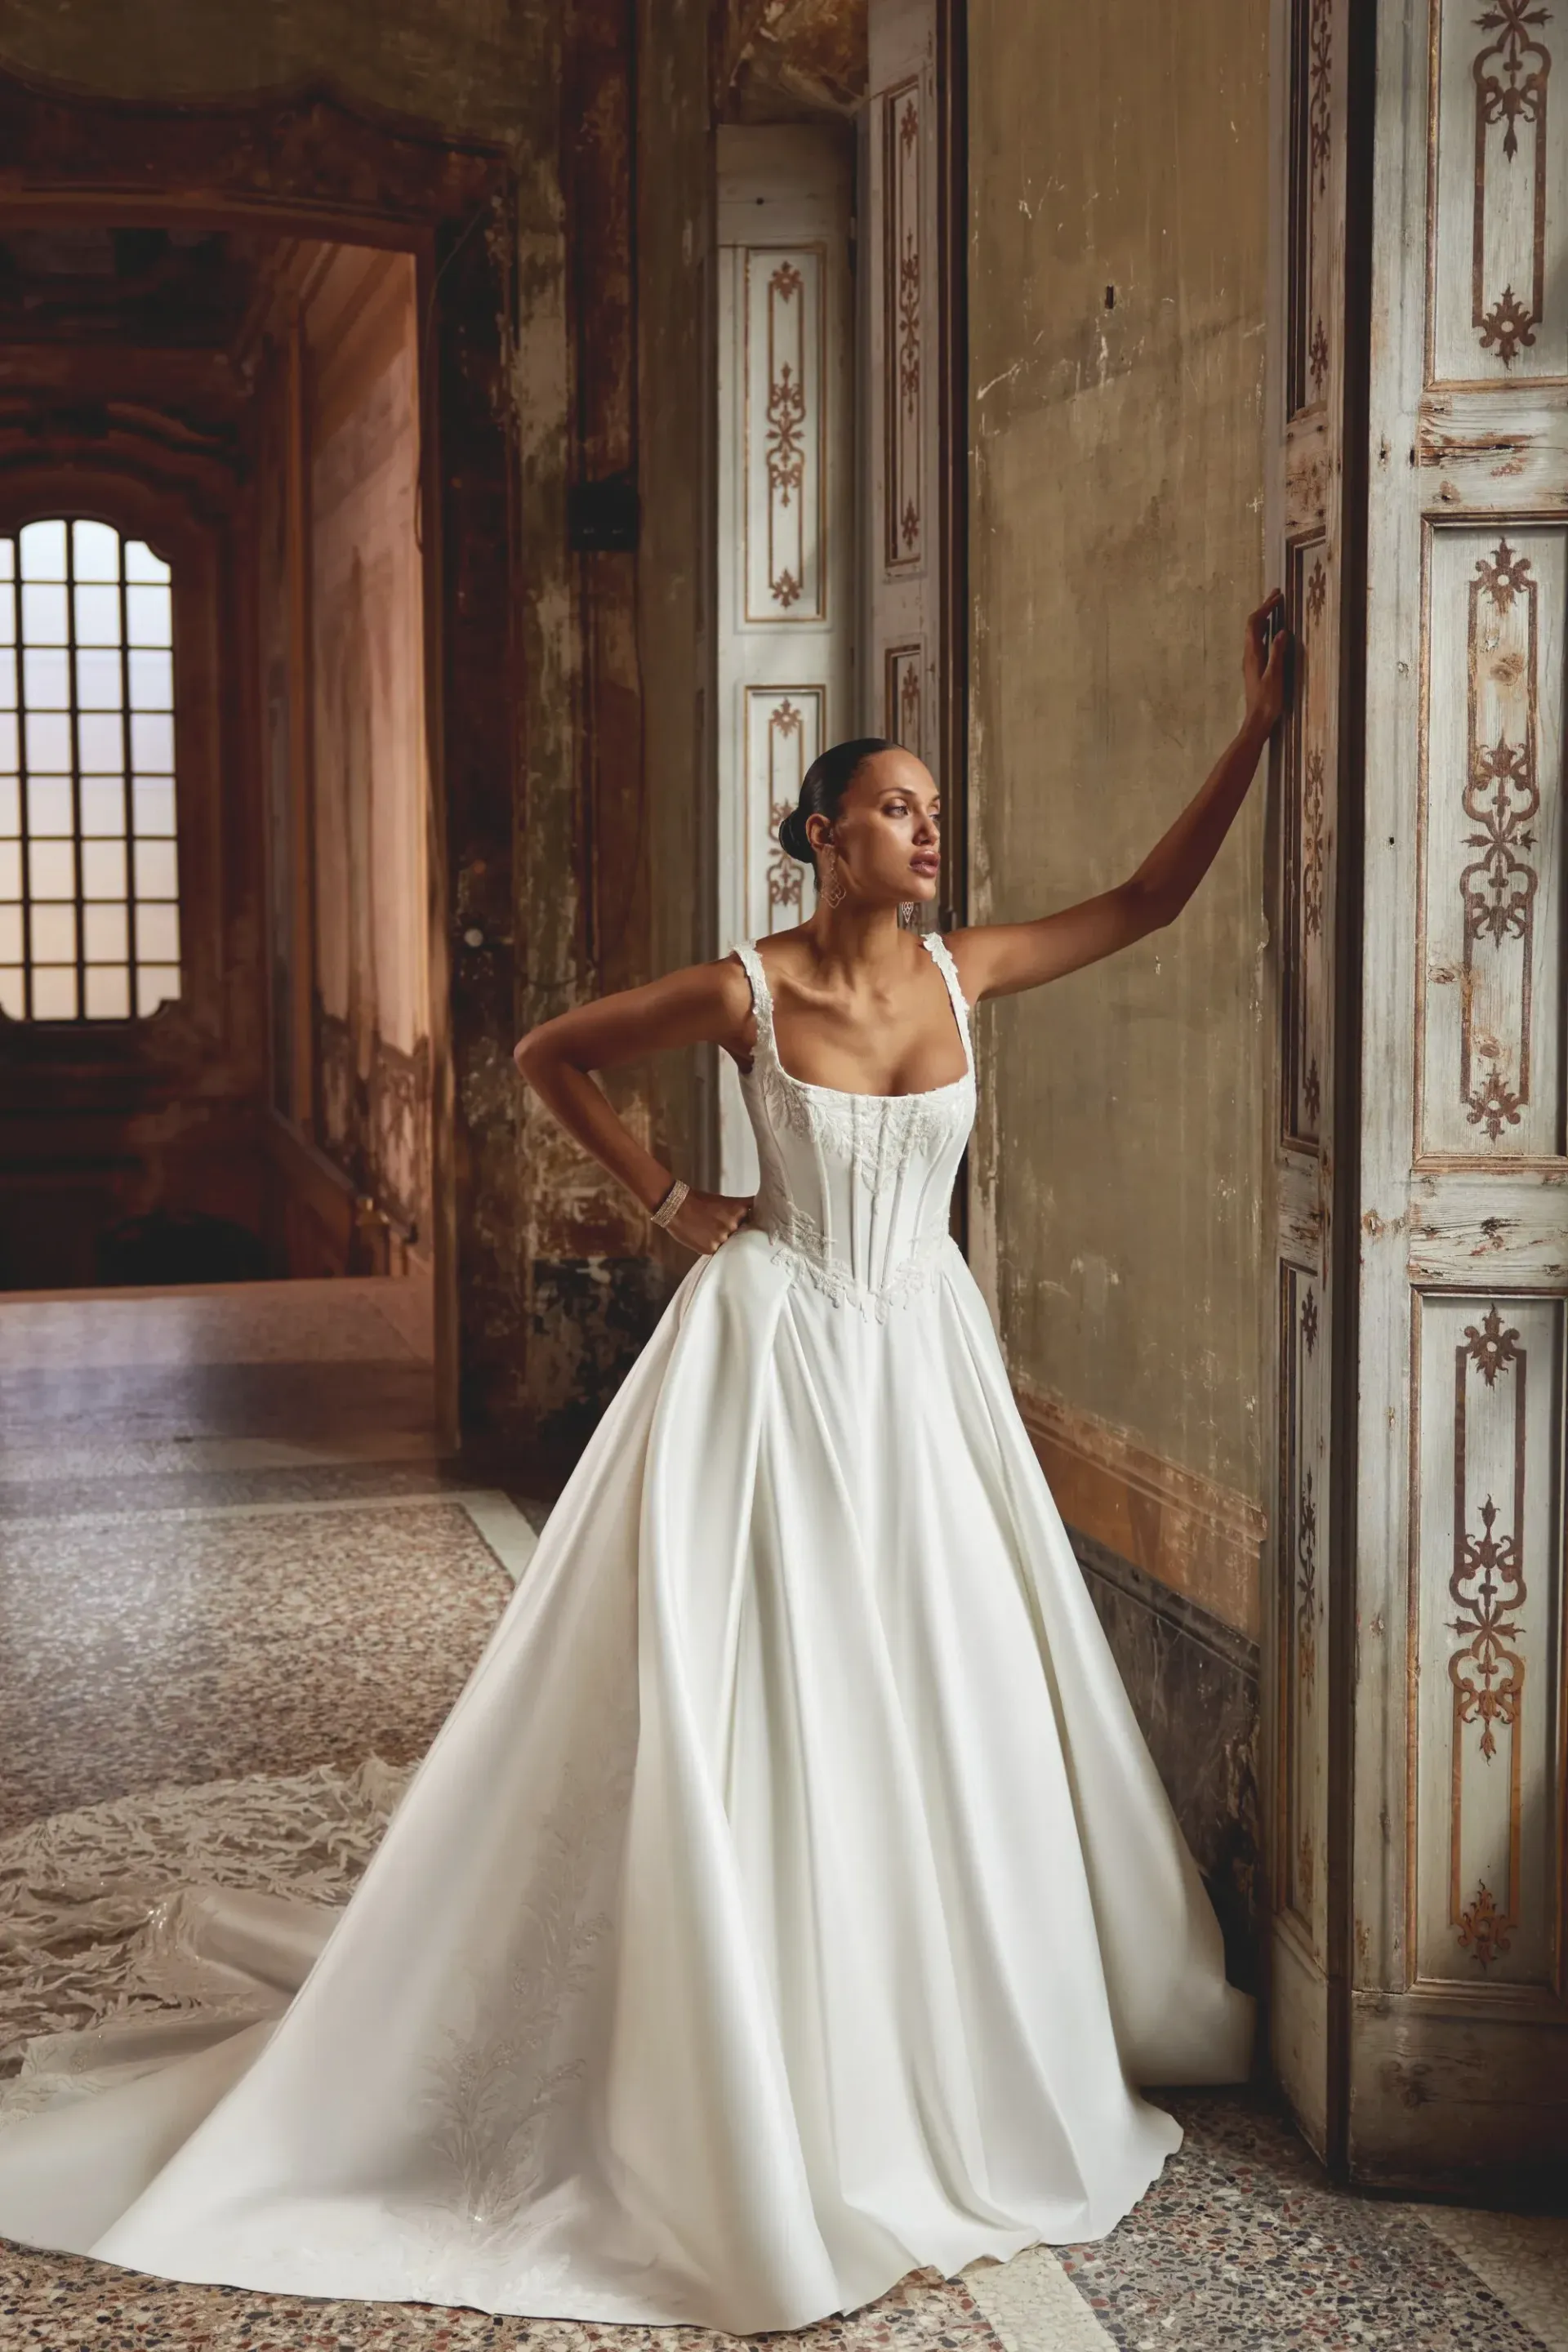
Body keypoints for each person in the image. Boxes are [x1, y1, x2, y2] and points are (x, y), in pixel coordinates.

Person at [0, 595, 1287, 2333]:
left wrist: (1262, 727)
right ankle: (746, 2033)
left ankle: (929, 2011)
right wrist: (671, 1201)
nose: (929, 830)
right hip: (777, 1354)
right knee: (772, 1688)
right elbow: (547, 1057)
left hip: (923, 1366)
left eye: (930, 811)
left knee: (940, 1684)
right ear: (825, 833)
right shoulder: (744, 987)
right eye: (897, 808)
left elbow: (1149, 901)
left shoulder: (964, 972)